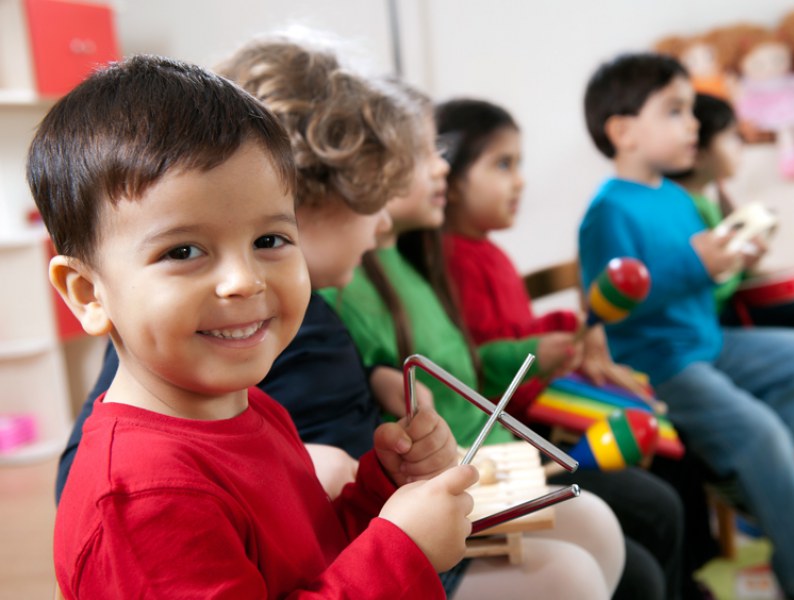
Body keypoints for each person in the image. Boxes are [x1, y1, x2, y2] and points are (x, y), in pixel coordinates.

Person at [55, 38, 622, 599]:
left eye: (270, 239)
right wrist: (403, 550)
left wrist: (384, 491)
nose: (244, 280)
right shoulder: (141, 502)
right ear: (87, 293)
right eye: (182, 251)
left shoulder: (251, 407)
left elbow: (312, 561)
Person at [327, 85, 684, 600]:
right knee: (645, 541)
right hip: (473, 466)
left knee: (652, 507)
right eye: (425, 153)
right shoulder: (365, 278)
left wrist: (548, 343)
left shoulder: (409, 262)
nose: (441, 169)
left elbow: (469, 365)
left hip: (495, 451)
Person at [578, 52, 794, 600]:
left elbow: (696, 277)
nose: (692, 124)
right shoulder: (609, 211)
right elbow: (606, 307)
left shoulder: (674, 197)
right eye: (675, 110)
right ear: (623, 131)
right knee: (760, 435)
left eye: (690, 111)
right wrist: (696, 266)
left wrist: (730, 259)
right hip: (659, 366)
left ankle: (740, 481)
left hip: (705, 345)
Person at [437, 97, 718, 600]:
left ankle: (685, 576)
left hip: (542, 405)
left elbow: (514, 327)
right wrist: (538, 350)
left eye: (519, 164)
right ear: (451, 180)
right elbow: (480, 359)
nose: (520, 179)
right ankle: (678, 581)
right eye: (503, 165)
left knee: (669, 437)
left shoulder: (488, 250)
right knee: (661, 489)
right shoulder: (455, 262)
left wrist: (567, 324)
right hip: (530, 426)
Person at [667, 92, 794, 473]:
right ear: (698, 152)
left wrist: (747, 261)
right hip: (708, 324)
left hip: (713, 316)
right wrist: (739, 264)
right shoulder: (687, 205)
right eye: (731, 136)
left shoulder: (708, 198)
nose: (741, 145)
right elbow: (707, 287)